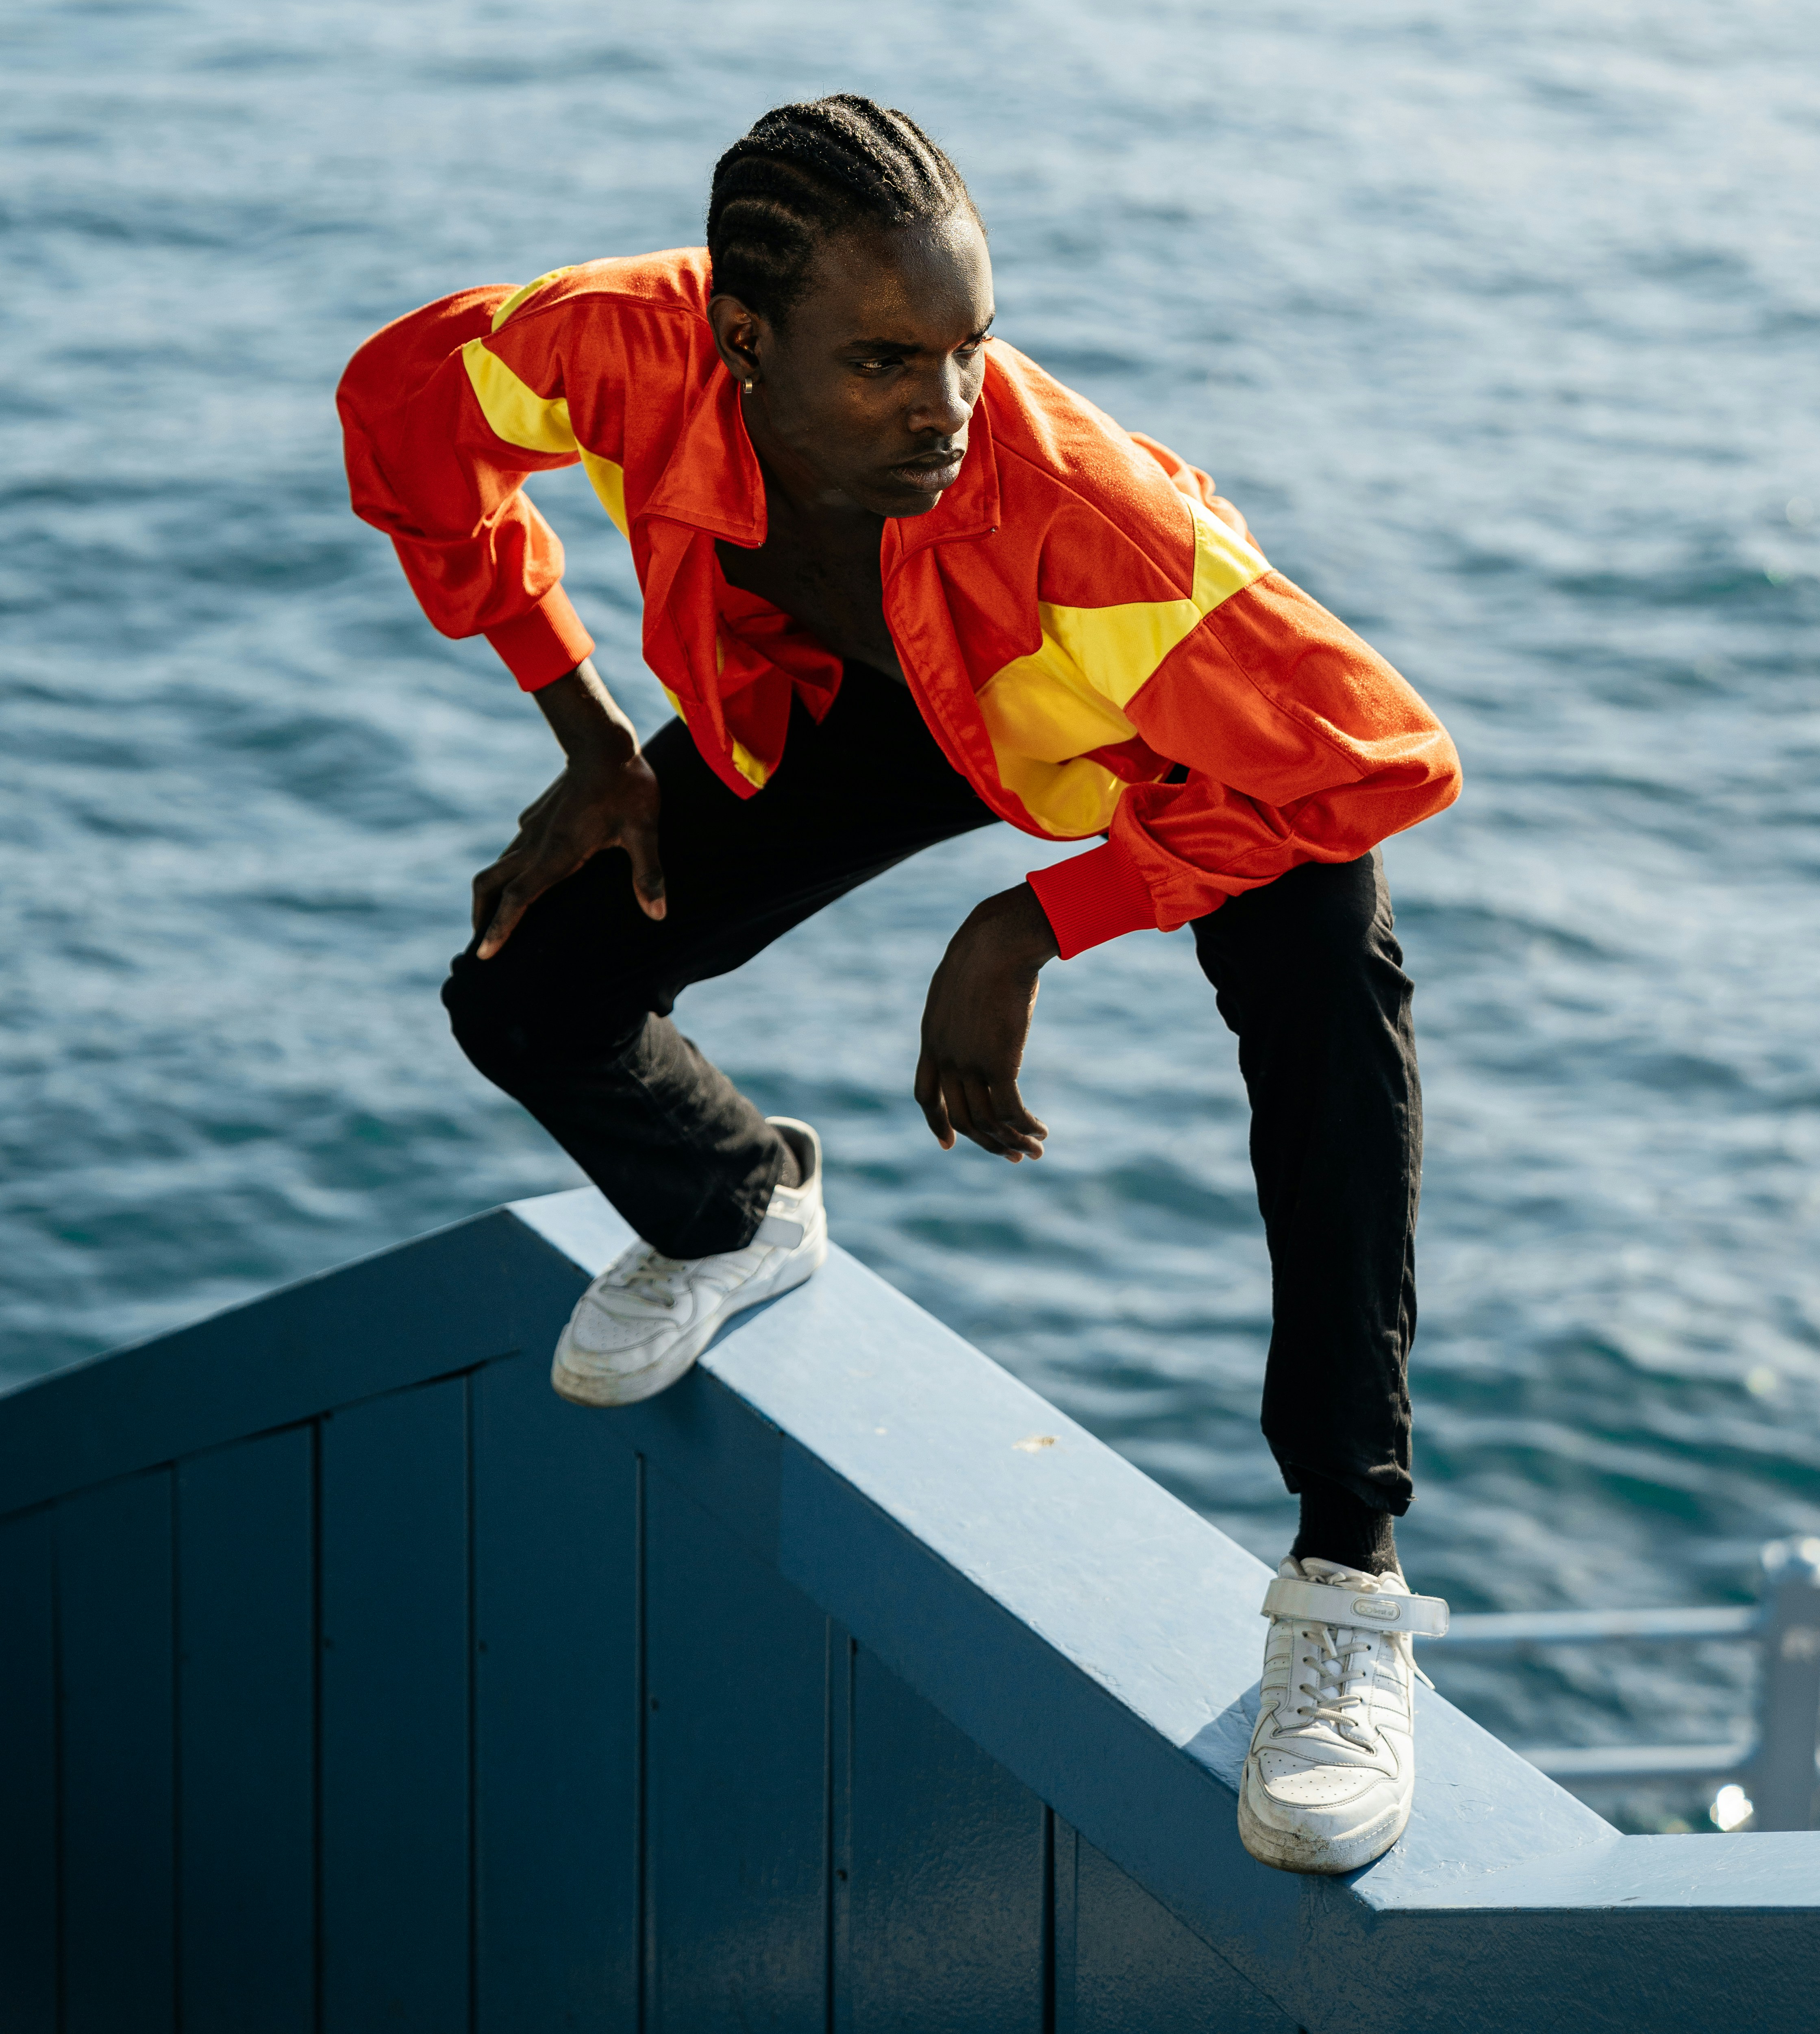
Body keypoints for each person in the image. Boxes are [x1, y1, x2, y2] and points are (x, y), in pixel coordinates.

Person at [337, 93, 1461, 1873]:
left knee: (1328, 994)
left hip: (1178, 749)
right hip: (887, 689)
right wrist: (590, 732)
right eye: (881, 359)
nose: (944, 407)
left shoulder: (1086, 520)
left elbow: (1375, 756)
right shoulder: (611, 348)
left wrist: (1038, 920)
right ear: (738, 337)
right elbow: (401, 406)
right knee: (525, 989)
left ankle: (1346, 1586)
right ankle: (737, 1209)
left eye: (967, 347)